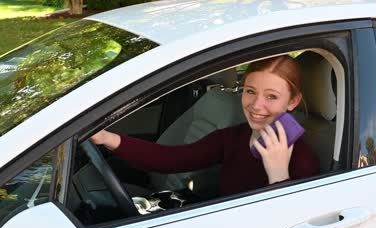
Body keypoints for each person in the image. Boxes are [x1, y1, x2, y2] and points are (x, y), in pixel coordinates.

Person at [91, 55, 320, 196]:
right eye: (250, 92)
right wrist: (106, 138)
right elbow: (174, 159)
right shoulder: (233, 137)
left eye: (271, 97)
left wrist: (278, 174)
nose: (256, 106)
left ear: (292, 101)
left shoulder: (302, 159)